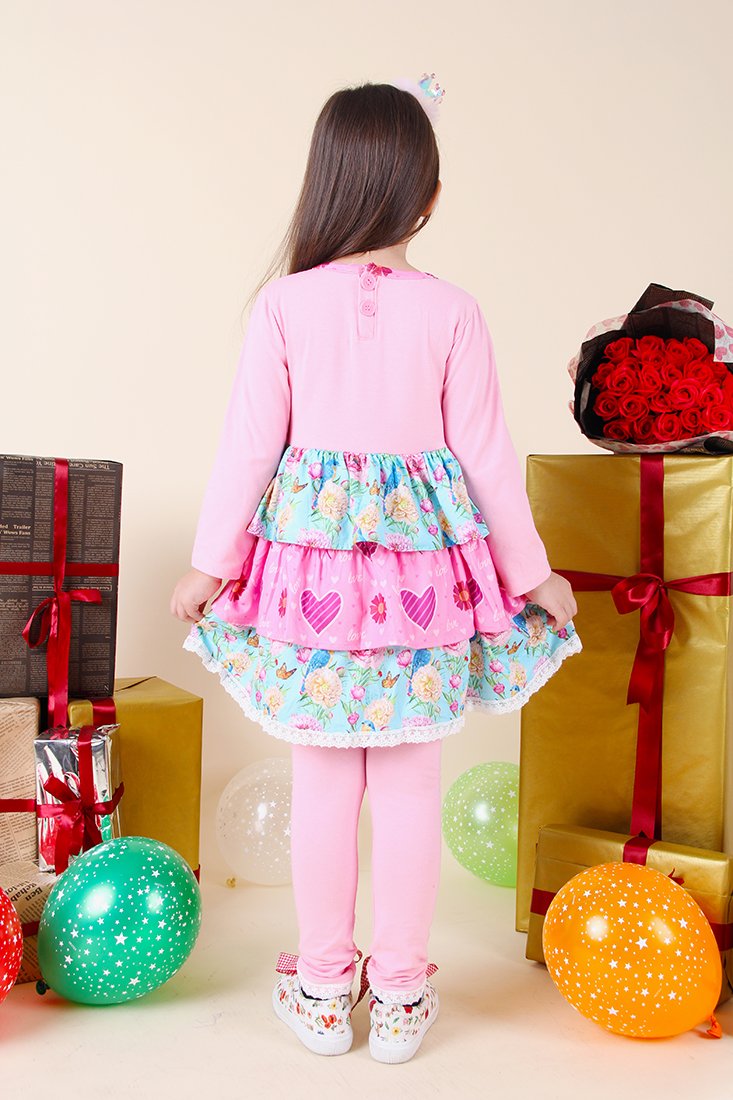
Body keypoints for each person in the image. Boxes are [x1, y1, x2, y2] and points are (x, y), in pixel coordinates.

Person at [170, 72, 581, 1063]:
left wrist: (208, 566)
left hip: (309, 576)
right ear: (426, 196)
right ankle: (397, 997)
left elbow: (248, 447)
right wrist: (531, 577)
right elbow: (483, 455)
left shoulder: (281, 304)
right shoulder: (453, 311)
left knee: (323, 781)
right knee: (404, 783)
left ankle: (322, 989)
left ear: (328, 186)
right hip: (419, 585)